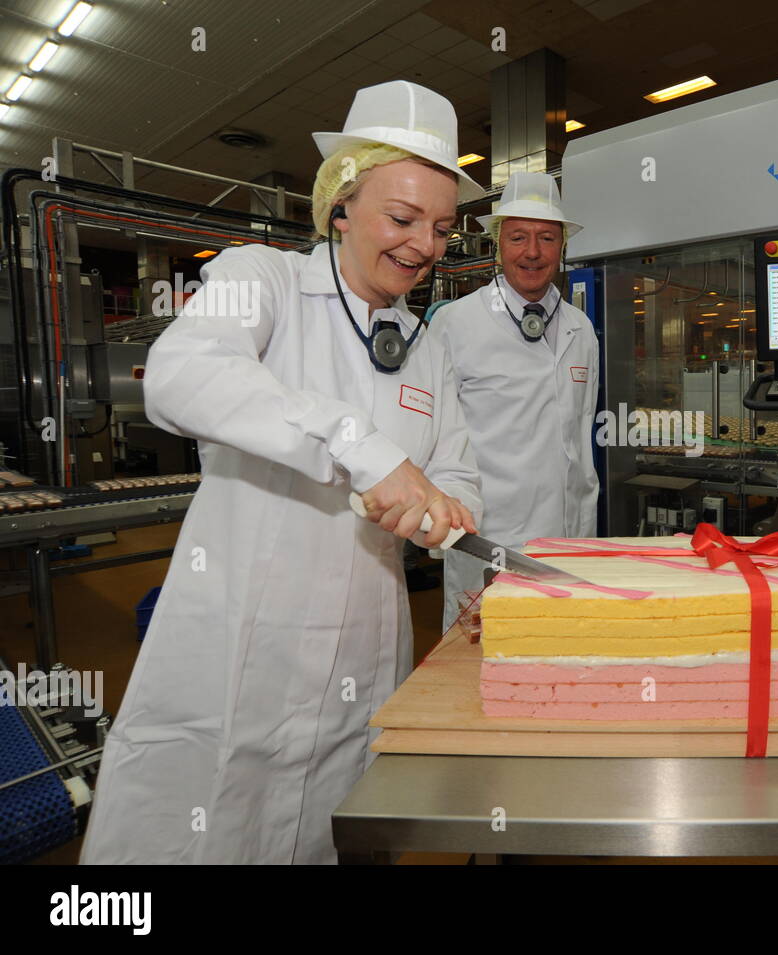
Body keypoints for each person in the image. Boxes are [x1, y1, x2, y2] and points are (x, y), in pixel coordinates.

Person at [81, 81, 485, 864]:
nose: (425, 246)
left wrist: (444, 513)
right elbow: (180, 375)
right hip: (241, 645)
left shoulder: (427, 346)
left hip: (365, 654)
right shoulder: (261, 280)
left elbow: (458, 475)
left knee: (331, 829)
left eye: (440, 227)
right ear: (340, 204)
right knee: (200, 827)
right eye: (402, 219)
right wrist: (361, 444)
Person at [433, 172, 599, 631]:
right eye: (519, 237)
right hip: (487, 539)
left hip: (569, 541)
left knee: (560, 656)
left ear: (562, 246)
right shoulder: (455, 324)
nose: (532, 252)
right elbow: (434, 437)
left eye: (547, 237)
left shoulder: (580, 329)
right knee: (477, 667)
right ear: (497, 244)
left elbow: (580, 438)